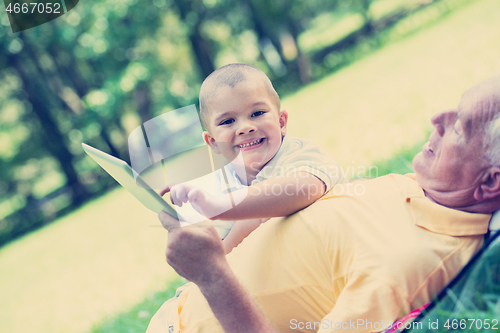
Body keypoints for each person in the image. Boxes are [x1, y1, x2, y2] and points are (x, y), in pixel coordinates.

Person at [148, 74, 500, 333]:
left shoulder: (406, 264)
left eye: (460, 127)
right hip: (172, 314)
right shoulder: (422, 190)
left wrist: (211, 275)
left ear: (490, 182)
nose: (438, 118)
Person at [163, 64, 345, 253]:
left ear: (281, 122)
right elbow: (213, 245)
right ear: (213, 142)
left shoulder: (300, 154)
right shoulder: (221, 182)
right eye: (227, 121)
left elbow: (303, 188)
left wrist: (219, 207)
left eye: (257, 113)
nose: (245, 127)